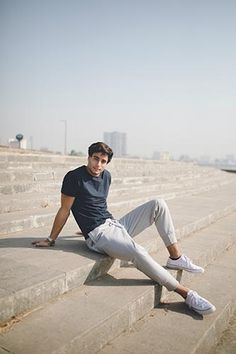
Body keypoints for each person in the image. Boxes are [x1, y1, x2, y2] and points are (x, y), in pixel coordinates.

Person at [32, 141, 216, 316]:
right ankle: (186, 294)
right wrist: (51, 239)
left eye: (103, 161)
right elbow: (65, 210)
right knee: (139, 251)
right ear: (88, 157)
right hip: (99, 234)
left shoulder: (106, 176)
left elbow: (97, 206)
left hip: (114, 224)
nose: (98, 164)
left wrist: (96, 225)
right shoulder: (74, 177)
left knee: (158, 204)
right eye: (95, 158)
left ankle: (176, 257)